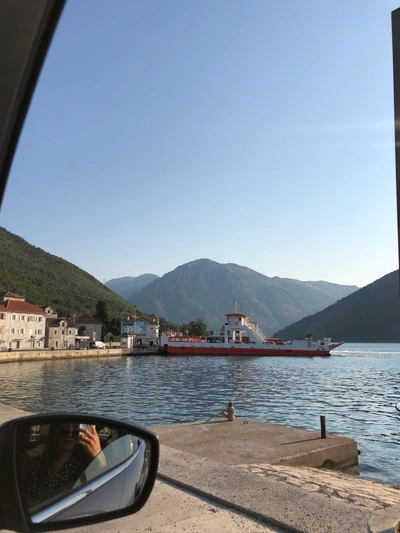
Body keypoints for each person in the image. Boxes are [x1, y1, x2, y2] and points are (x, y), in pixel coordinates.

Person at [26, 423, 102, 502]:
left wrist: (97, 453)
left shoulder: (84, 464)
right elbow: (30, 494)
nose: (69, 435)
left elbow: (102, 485)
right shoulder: (42, 463)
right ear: (56, 433)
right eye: (64, 431)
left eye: (75, 431)